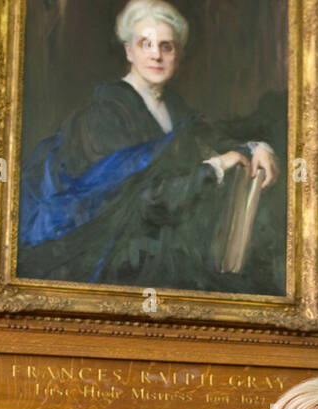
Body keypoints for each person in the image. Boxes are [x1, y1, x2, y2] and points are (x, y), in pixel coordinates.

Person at [17, 0, 283, 292]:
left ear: (178, 55)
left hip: (161, 248)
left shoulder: (173, 107)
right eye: (146, 44)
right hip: (112, 256)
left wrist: (256, 147)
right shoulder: (106, 112)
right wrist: (217, 167)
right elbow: (147, 199)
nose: (156, 55)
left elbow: (208, 139)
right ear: (129, 51)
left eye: (166, 46)